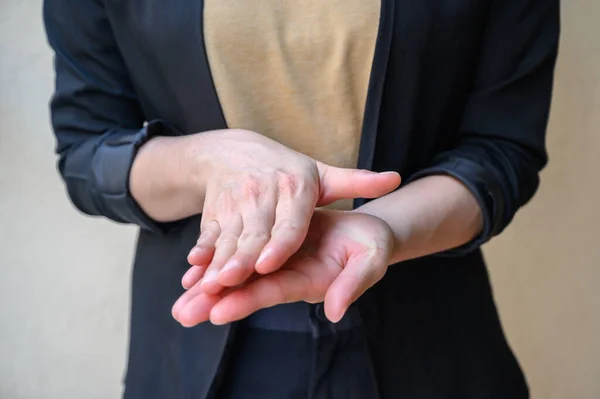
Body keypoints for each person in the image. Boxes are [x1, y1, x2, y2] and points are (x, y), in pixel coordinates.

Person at [43, 0, 560, 398]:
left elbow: (501, 149)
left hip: (427, 341)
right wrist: (209, 162)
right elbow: (89, 152)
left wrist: (385, 228)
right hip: (199, 342)